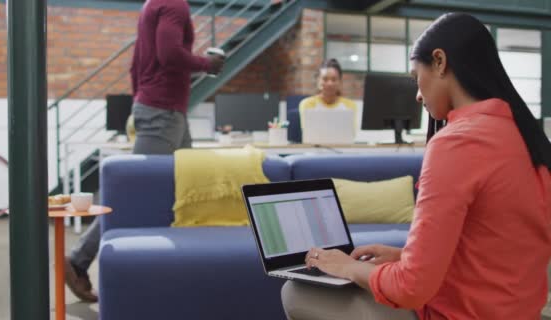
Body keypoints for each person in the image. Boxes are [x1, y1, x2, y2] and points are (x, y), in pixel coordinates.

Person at [282, 12, 551, 320]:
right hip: (521, 311)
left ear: (439, 61)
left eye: (415, 77)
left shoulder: (457, 143)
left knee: (295, 291)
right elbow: (496, 249)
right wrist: (403, 256)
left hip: (462, 314)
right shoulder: (524, 137)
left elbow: (411, 288)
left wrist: (348, 267)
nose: (418, 94)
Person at [64, 0, 224, 302]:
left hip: (165, 110)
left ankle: (181, 263)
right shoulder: (174, 5)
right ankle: (78, 260)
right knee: (134, 190)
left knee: (188, 185)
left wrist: (141, 99)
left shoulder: (153, 4)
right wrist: (207, 64)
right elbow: (169, 54)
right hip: (163, 111)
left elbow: (135, 64)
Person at [298, 58, 357, 133]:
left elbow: (351, 134)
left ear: (340, 82)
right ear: (318, 81)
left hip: (341, 144)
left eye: (334, 79)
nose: (330, 84)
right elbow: (307, 133)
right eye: (325, 79)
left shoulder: (350, 105)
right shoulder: (307, 104)